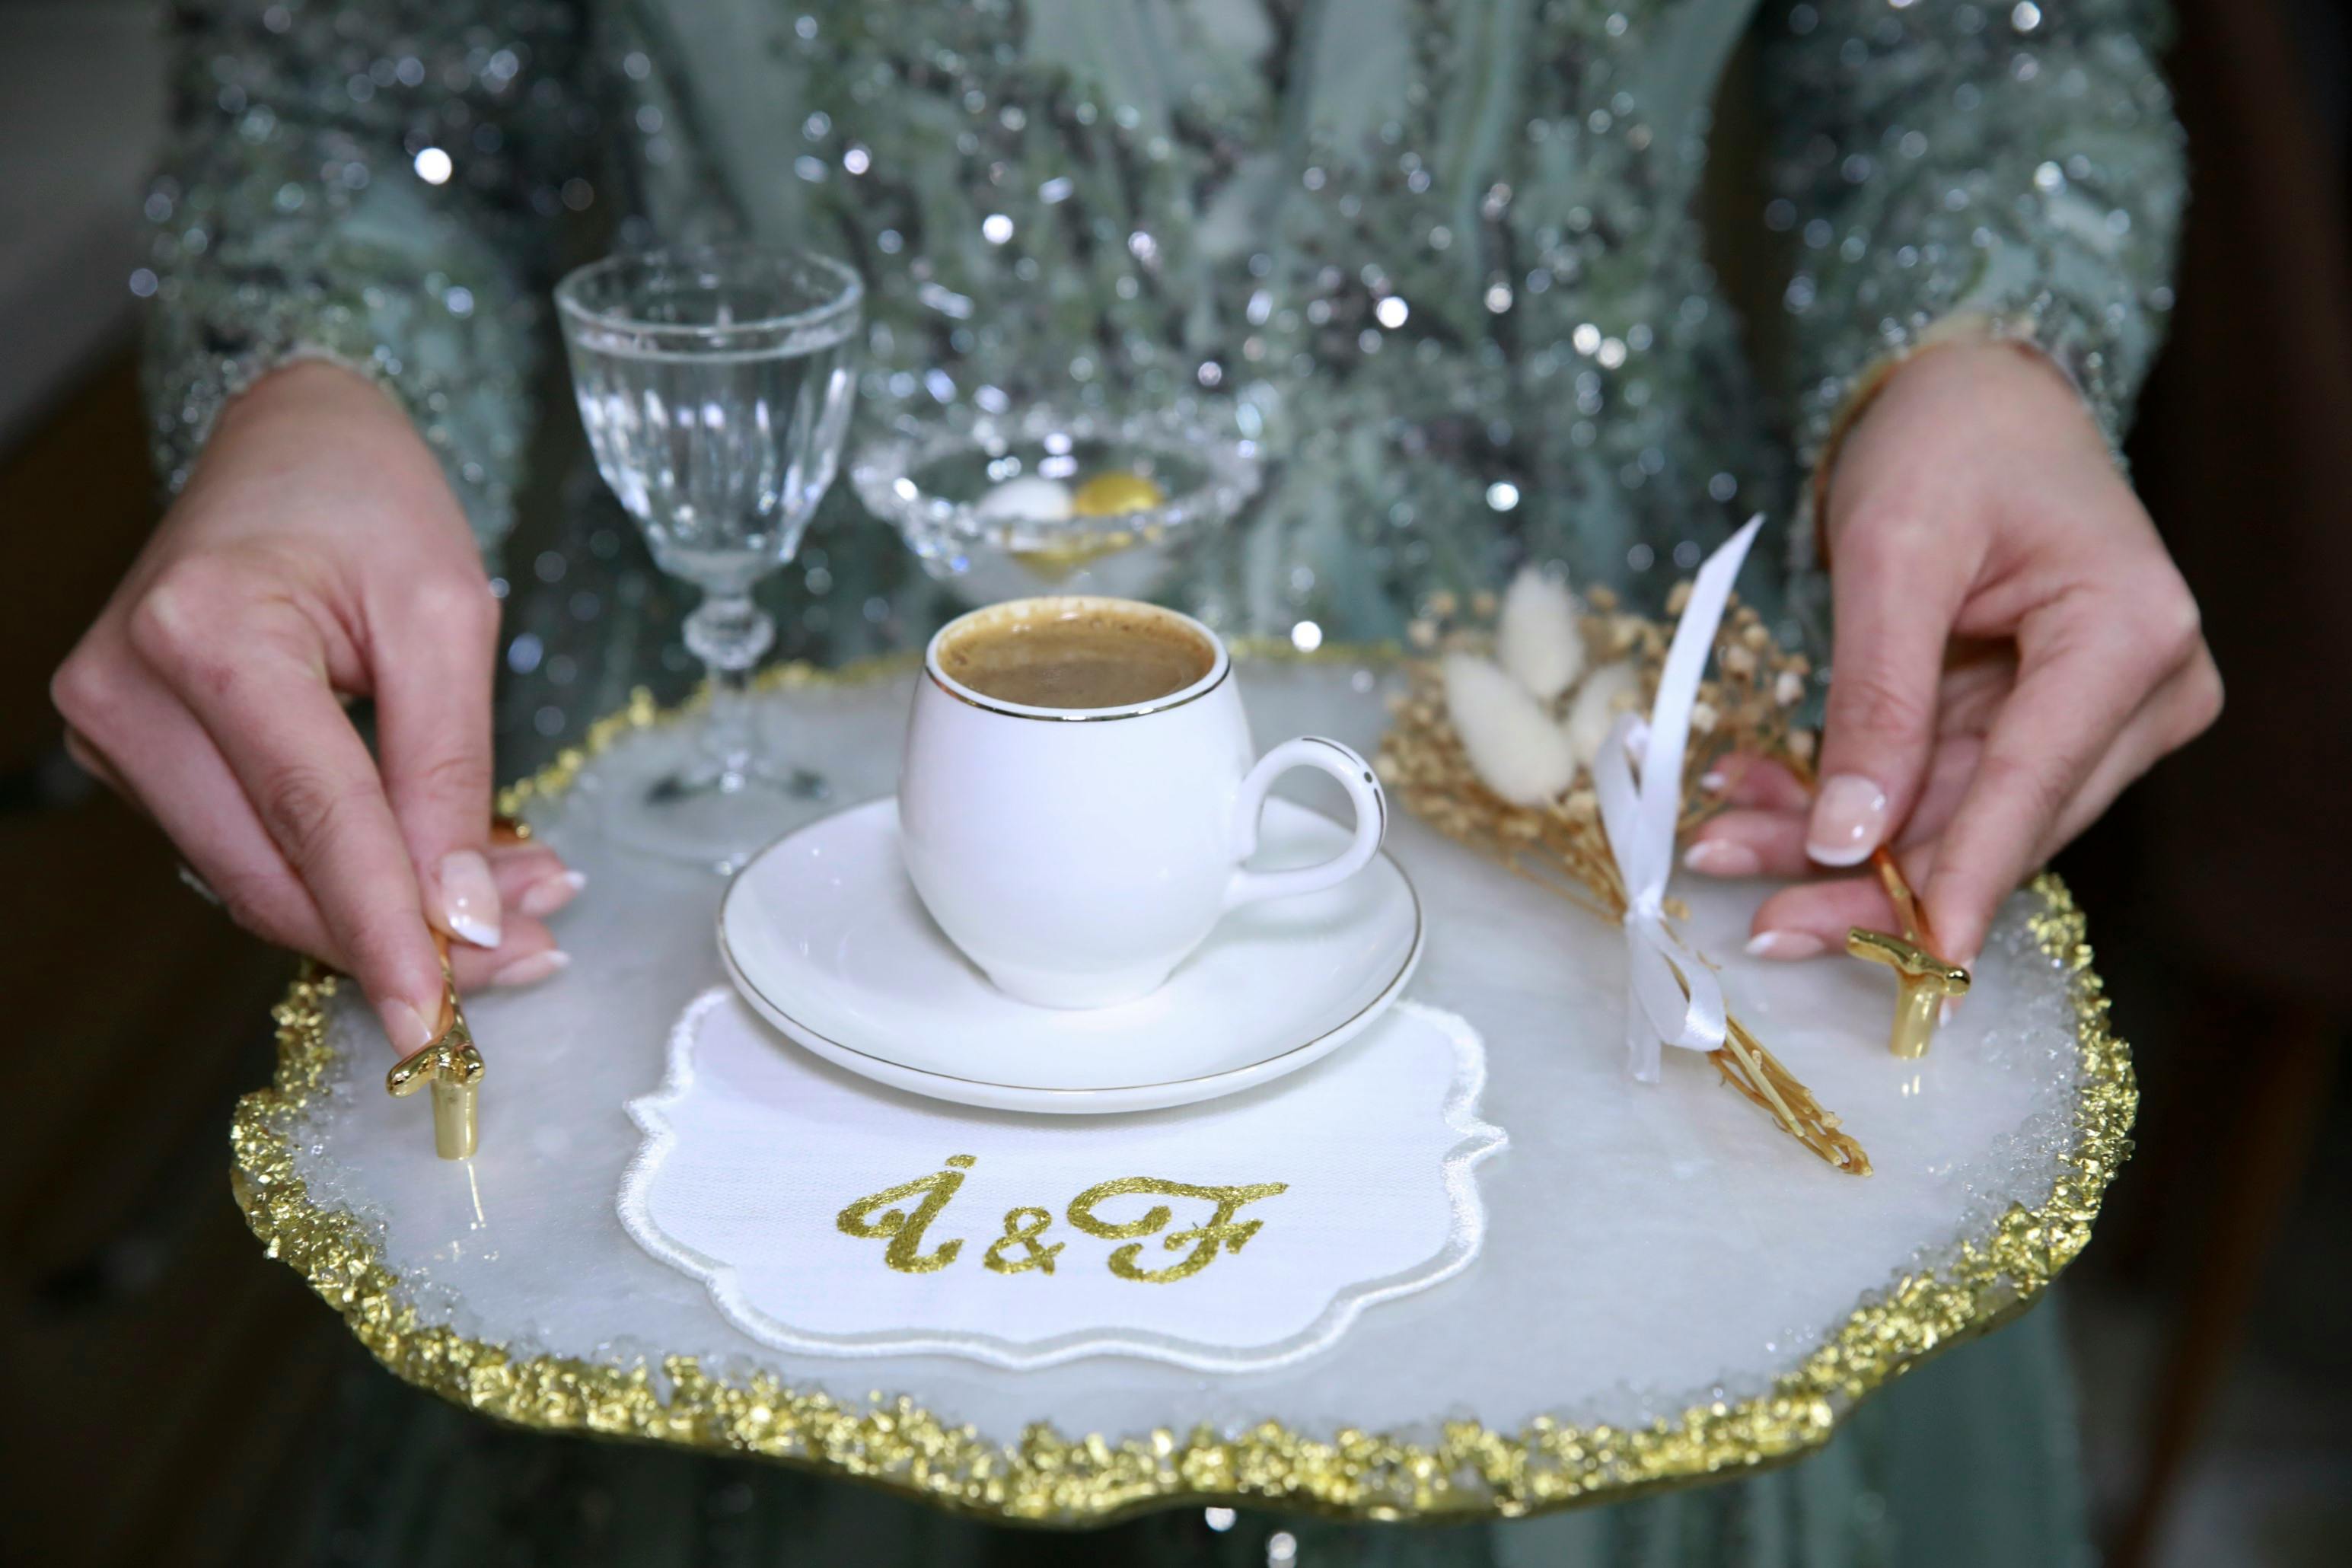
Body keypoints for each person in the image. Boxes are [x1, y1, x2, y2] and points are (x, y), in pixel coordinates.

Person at [53, 2, 2217, 1563]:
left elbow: (1979, 48)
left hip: (1581, 780)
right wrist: (313, 383)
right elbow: (351, 94)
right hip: (741, 779)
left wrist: (1982, 346)